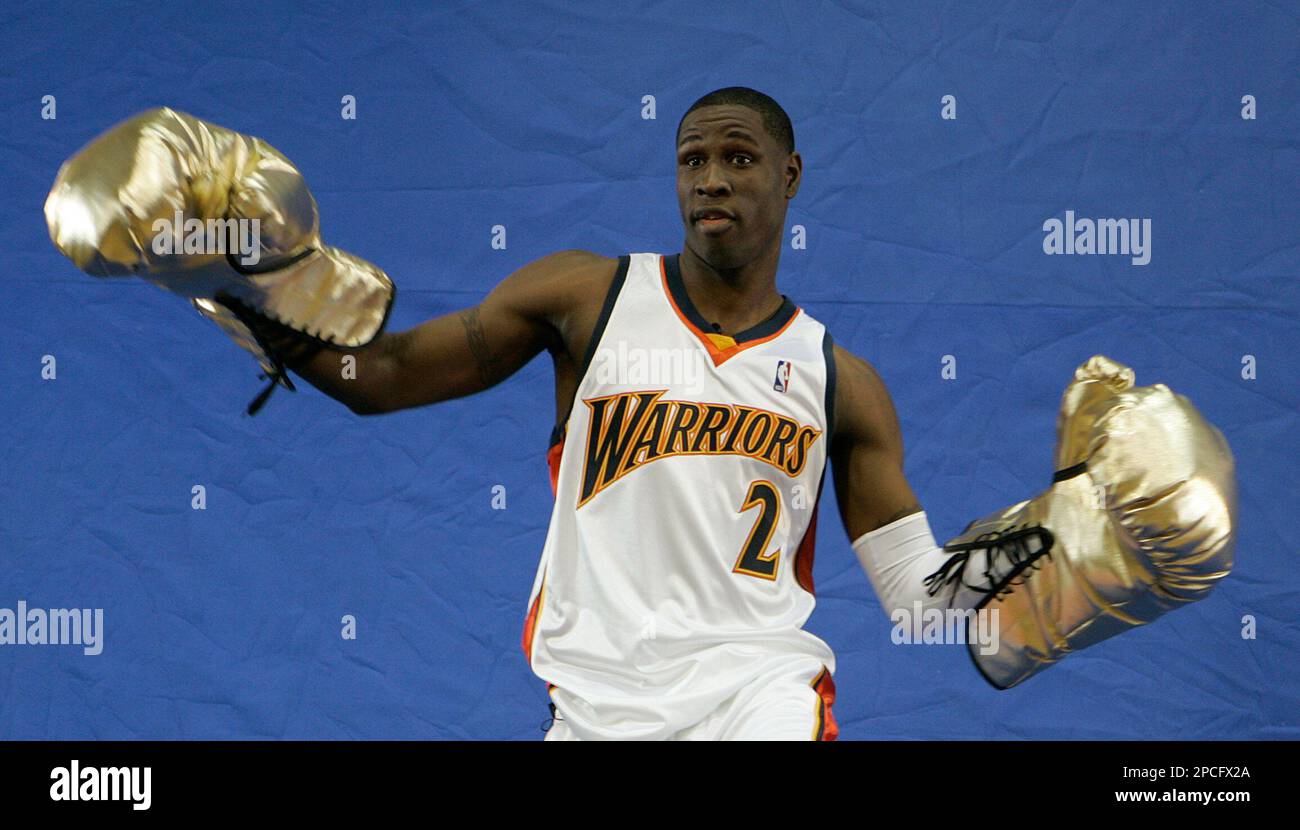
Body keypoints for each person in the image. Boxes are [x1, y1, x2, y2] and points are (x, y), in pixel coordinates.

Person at [45, 87, 1238, 741]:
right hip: (596, 702)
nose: (709, 178)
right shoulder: (585, 295)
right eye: (690, 160)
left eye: (735, 156)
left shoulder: (840, 380)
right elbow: (387, 379)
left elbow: (922, 607)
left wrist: (1088, 552)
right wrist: (238, 278)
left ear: (788, 178)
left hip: (758, 693)